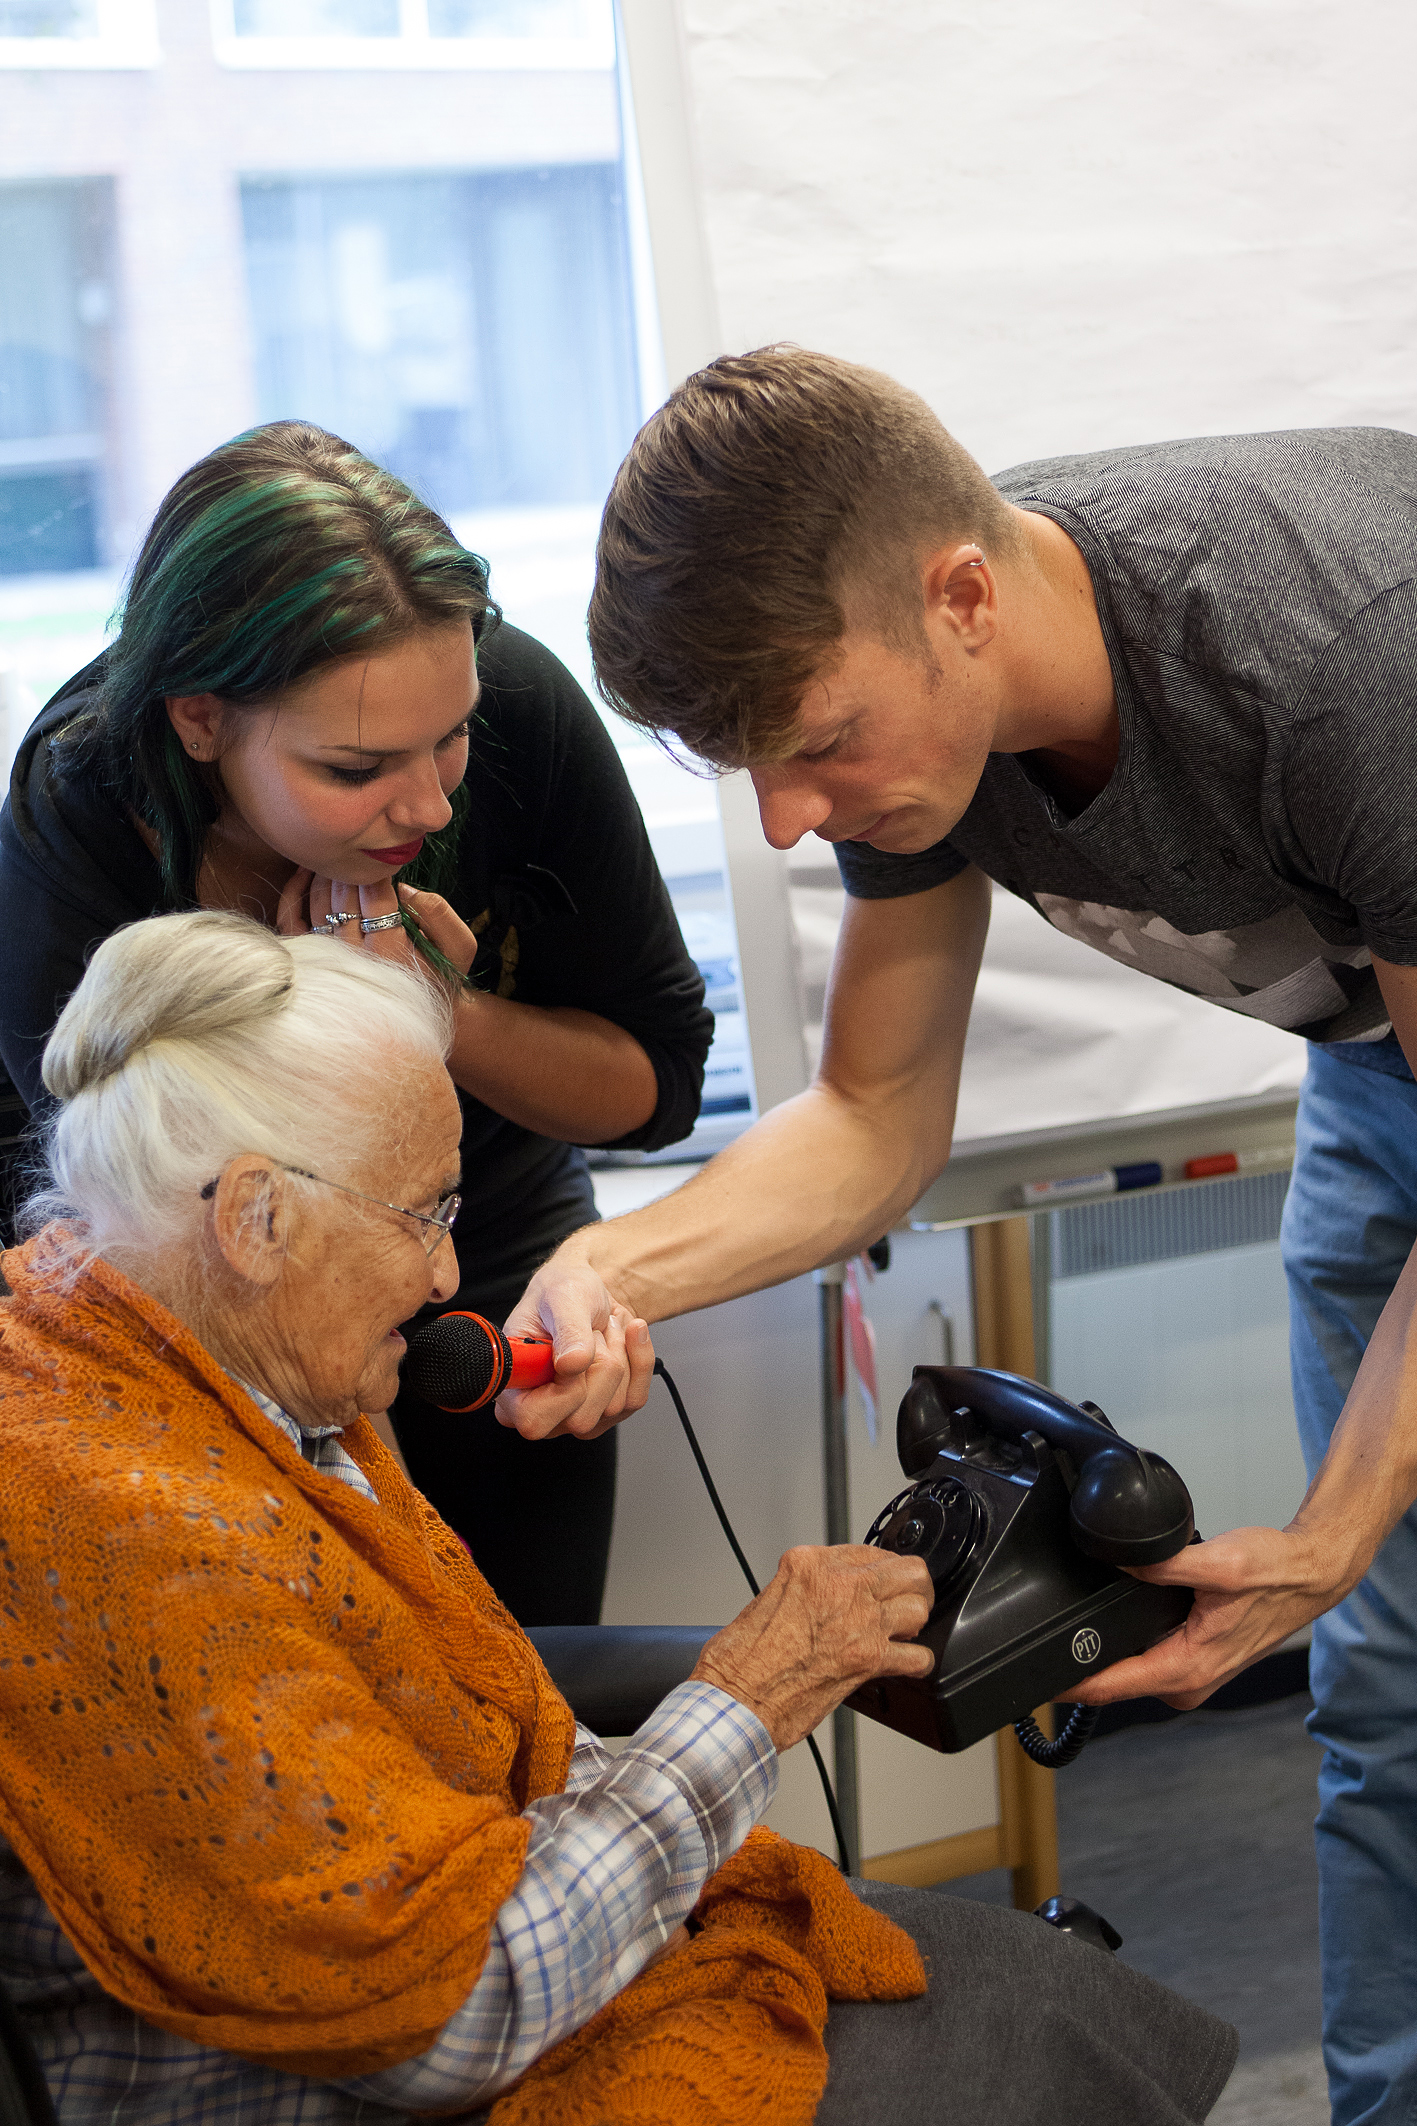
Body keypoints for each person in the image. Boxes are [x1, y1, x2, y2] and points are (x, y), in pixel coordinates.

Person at [499, 348, 1417, 2124]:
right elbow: (871, 1116)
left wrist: (1326, 1530)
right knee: (1380, 1683)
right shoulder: (928, 699)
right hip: (1379, 1068)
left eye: (814, 746)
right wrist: (607, 1272)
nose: (788, 816)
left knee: (1354, 1579)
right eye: (748, 771)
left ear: (965, 600)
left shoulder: (1332, 668)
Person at [0, 909, 1235, 2126]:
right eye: (425, 1216)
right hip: (362, 2064)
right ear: (256, 1216)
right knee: (1024, 2033)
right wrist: (752, 1696)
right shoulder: (135, 1534)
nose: (446, 1276)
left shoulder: (203, 1358)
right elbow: (456, 2010)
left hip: (477, 1928)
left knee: (1033, 1993)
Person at [0, 419, 713, 1627]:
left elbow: (657, 1085)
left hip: (486, 1236)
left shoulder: (518, 705)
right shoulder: (77, 812)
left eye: (452, 737)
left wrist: (442, 1016)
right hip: (201, 1293)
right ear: (197, 719)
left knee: (517, 1667)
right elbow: (117, 1217)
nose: (428, 804)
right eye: (356, 767)